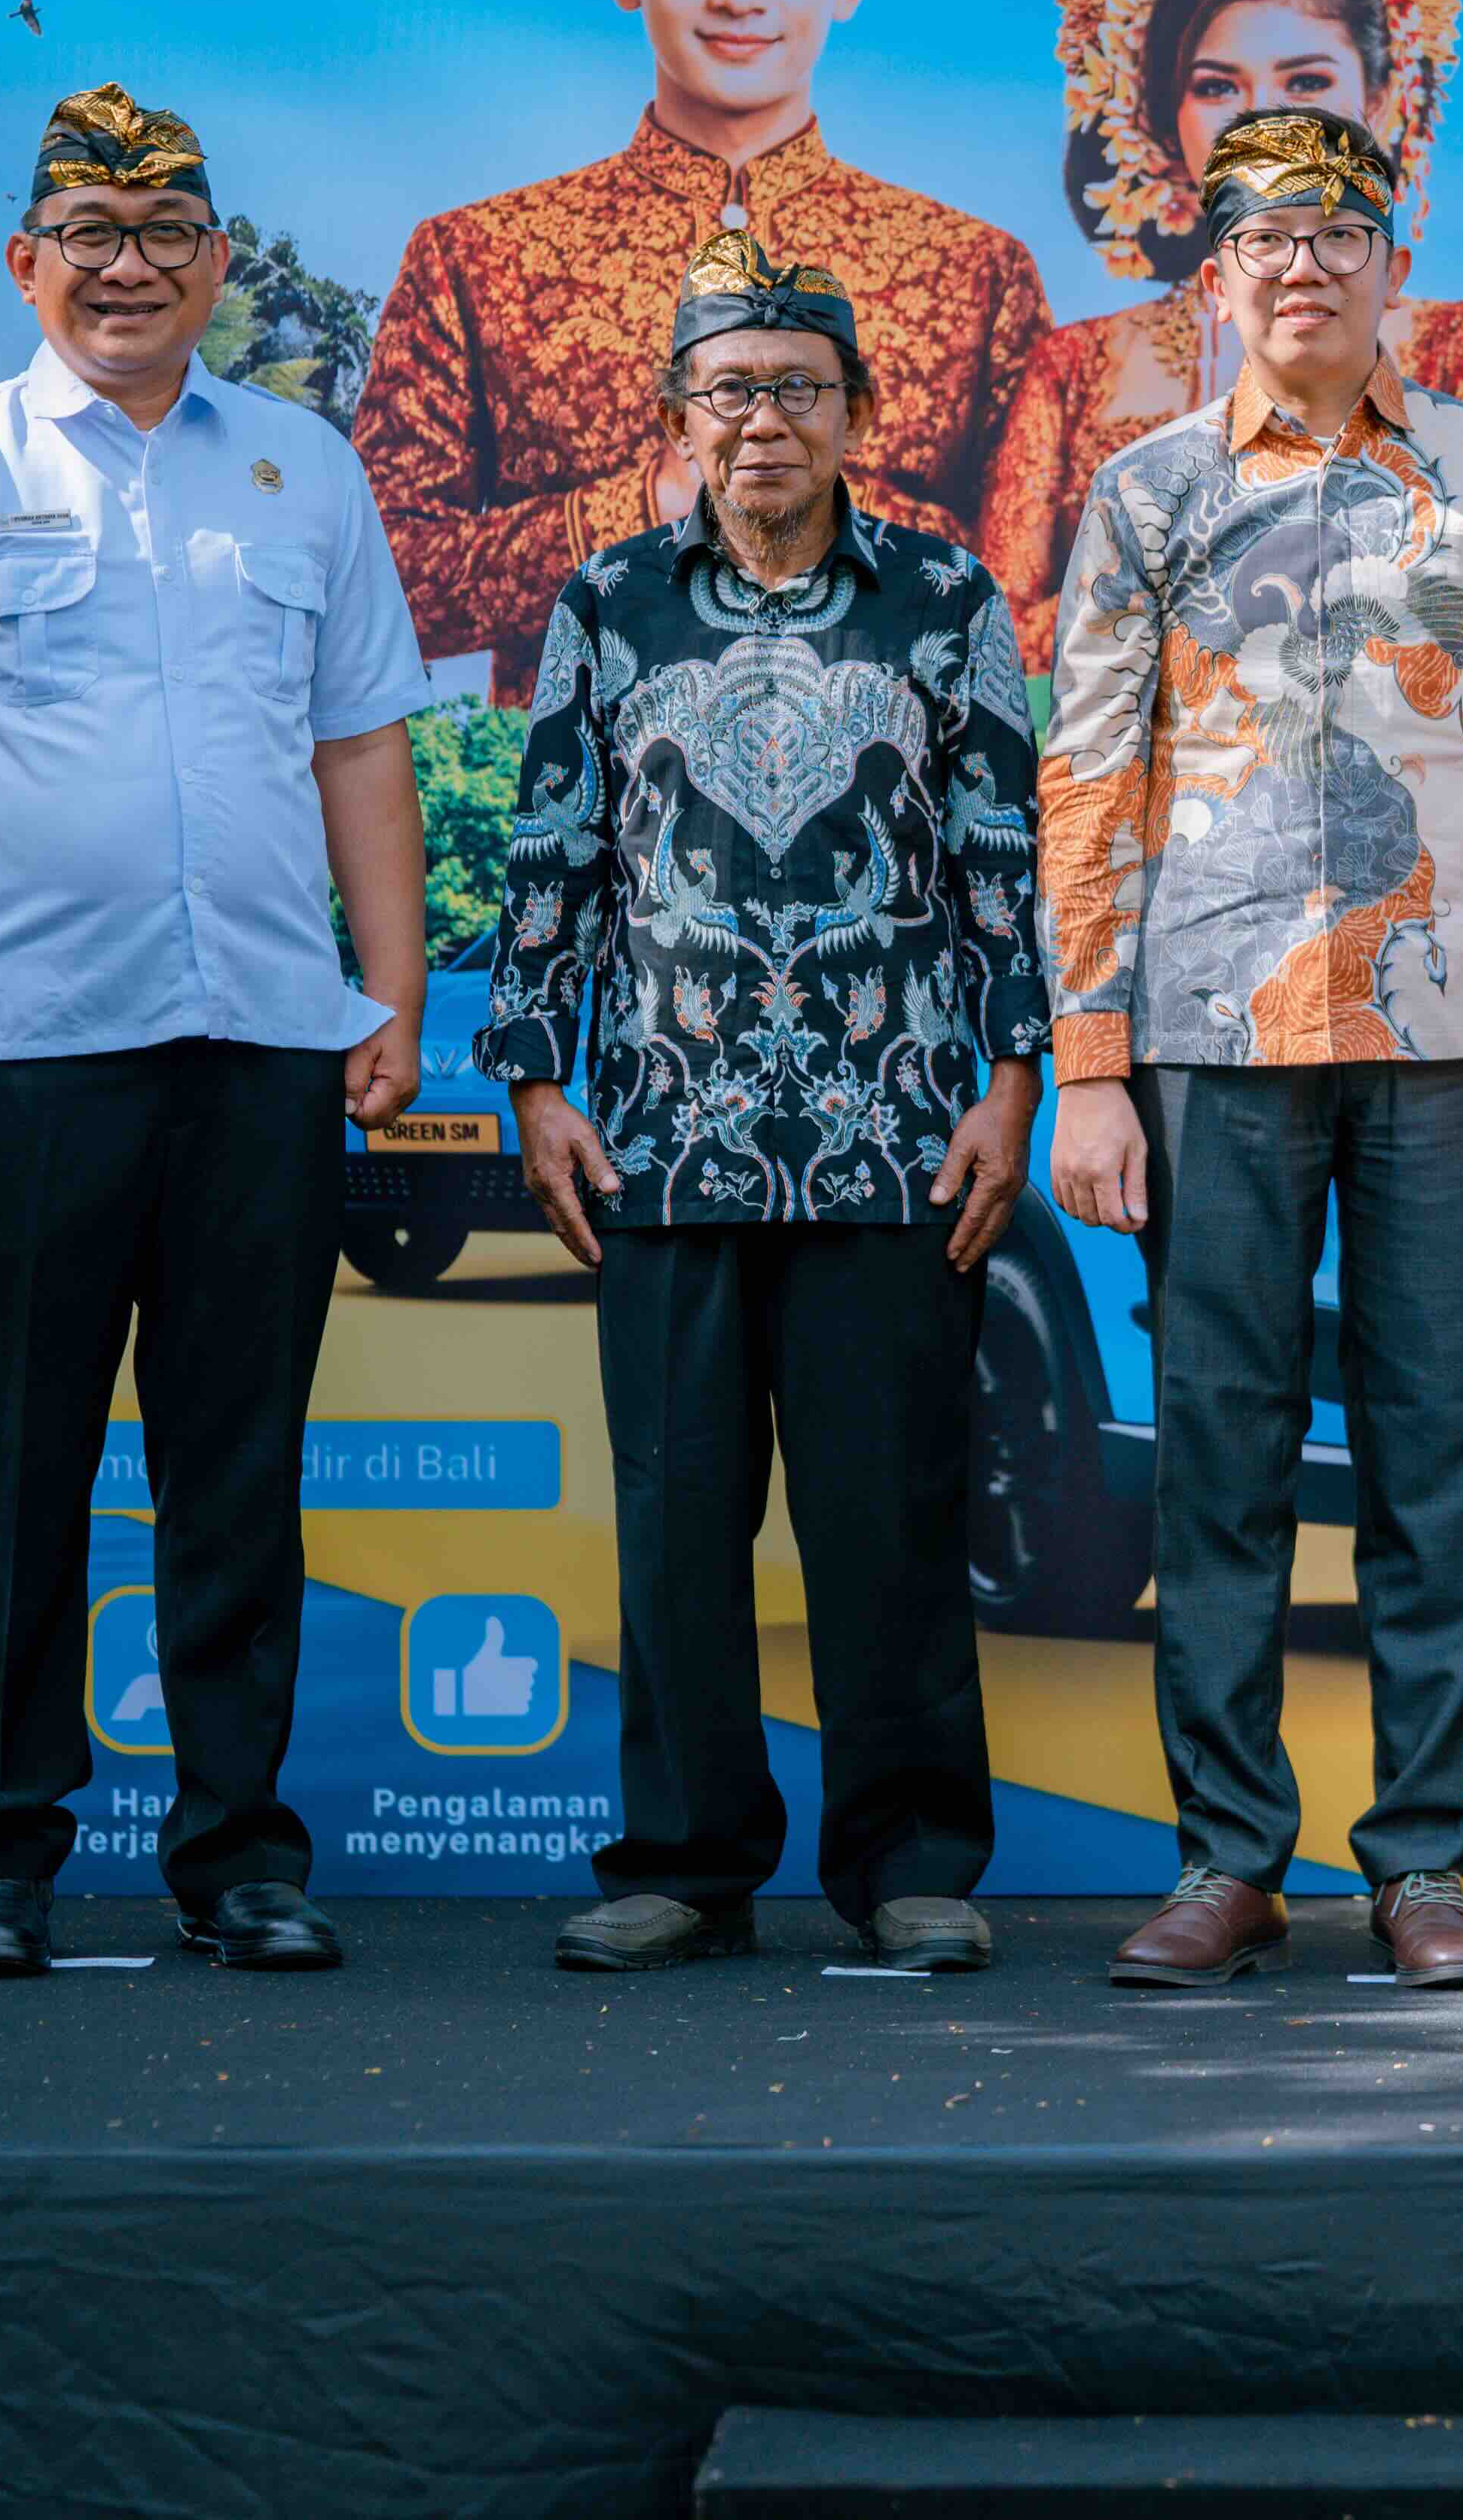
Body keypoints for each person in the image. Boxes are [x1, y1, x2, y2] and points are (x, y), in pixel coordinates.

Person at [0, 84, 433, 1981]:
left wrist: (391, 990)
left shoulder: (305, 469)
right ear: (28, 262)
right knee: (18, 1460)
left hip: (264, 1041)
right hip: (29, 1049)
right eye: (91, 233)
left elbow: (361, 745)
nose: (129, 267)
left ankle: (239, 1853)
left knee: (238, 1463)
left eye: (166, 234)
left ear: (218, 262)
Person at [1039, 107, 1463, 1992]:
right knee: (1219, 1452)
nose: (1303, 264)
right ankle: (1229, 1856)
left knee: (1445, 1448)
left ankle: (1424, 1859)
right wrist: (1092, 1062)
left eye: (1337, 232)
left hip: (1453, 1031)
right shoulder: (1146, 491)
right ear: (1215, 280)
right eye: (1265, 238)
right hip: (1213, 1034)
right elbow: (1092, 777)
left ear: (1394, 265)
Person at [481, 232, 1046, 1976]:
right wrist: (534, 1079)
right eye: (729, 389)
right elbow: (553, 855)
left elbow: (1004, 861)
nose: (763, 420)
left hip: (895, 1136)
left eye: (798, 387)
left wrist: (1012, 1077)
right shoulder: (605, 604)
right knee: (676, 1522)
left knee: (892, 1521)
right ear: (681, 414)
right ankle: (687, 1861)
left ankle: (911, 1863)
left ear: (856, 410)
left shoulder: (946, 600)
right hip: (664, 1140)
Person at [357, 0, 1052, 695]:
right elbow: (376, 580)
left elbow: (1041, 601)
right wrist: (647, 502)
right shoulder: (476, 259)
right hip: (590, 776)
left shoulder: (974, 273)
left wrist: (824, 503)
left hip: (898, 775)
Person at [981, 0, 1463, 672]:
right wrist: (1223, 582)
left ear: (1380, 99)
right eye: (1218, 86)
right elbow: (997, 639)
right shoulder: (1077, 372)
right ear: (1158, 116)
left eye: (1307, 80)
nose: (1266, 122)